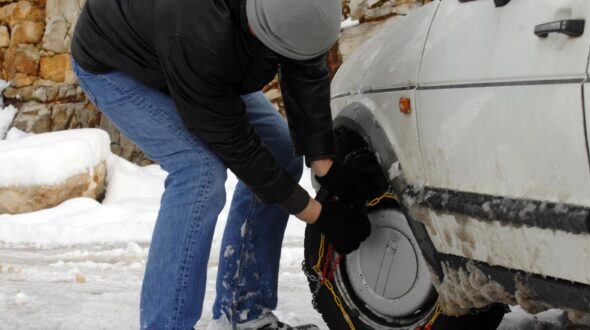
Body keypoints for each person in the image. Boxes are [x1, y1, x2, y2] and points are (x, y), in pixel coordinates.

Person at [71, 0, 374, 328]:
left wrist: (324, 164)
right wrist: (318, 215)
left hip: (194, 55)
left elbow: (305, 66)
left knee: (280, 150)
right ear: (258, 28)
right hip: (116, 63)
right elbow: (237, 148)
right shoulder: (199, 32)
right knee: (199, 170)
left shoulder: (292, 10)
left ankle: (243, 310)